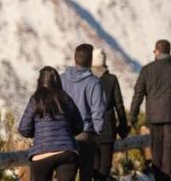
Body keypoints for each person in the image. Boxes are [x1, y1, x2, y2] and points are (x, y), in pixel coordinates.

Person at [129, 39, 171, 181]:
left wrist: (133, 116)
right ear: (169, 52)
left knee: (156, 150)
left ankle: (159, 178)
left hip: (154, 117)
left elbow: (138, 94)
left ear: (156, 52)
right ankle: (166, 177)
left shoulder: (147, 70)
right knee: (169, 150)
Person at [19, 67, 85, 181]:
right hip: (67, 151)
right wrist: (66, 133)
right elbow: (79, 125)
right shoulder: (66, 98)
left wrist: (37, 134)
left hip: (42, 152)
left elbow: (23, 128)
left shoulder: (36, 99)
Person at [62, 44, 106, 181]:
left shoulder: (62, 79)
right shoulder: (94, 83)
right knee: (85, 174)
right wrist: (98, 132)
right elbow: (98, 111)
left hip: (65, 134)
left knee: (65, 175)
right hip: (86, 135)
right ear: (90, 61)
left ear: (75, 59)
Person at [93, 50, 130, 180]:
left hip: (90, 130)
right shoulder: (111, 79)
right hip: (107, 129)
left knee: (93, 165)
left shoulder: (87, 80)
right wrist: (123, 126)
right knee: (105, 165)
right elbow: (119, 105)